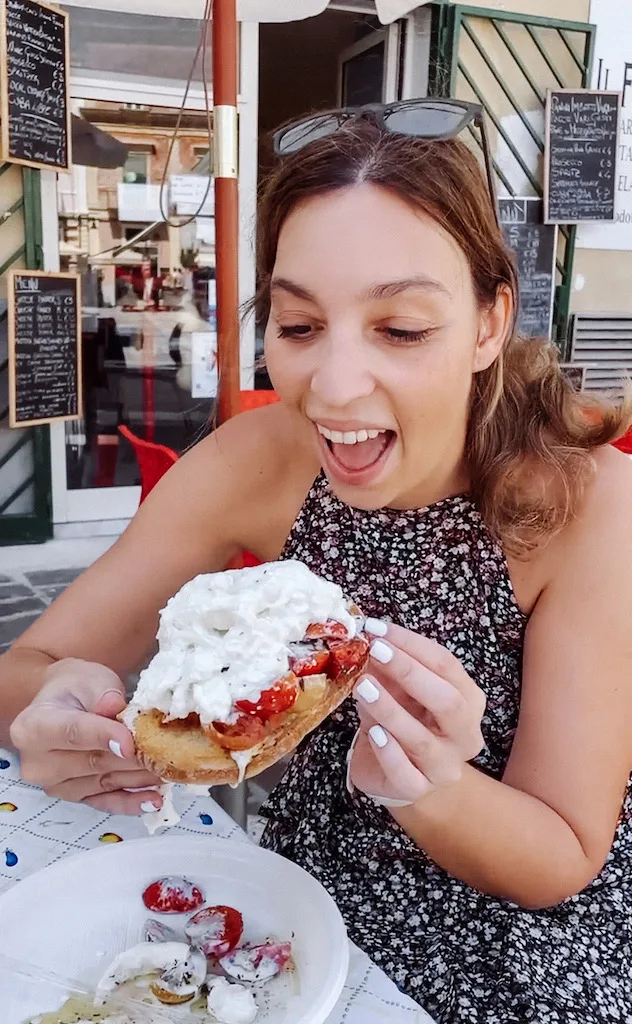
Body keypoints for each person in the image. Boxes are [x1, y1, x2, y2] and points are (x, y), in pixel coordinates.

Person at [2, 101, 632, 1023]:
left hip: (523, 920)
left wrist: (433, 787)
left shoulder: (585, 501)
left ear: (491, 322)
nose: (333, 388)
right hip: (306, 897)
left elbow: (564, 855)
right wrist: (55, 716)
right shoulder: (257, 458)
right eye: (298, 327)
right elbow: (26, 669)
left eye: (402, 330)